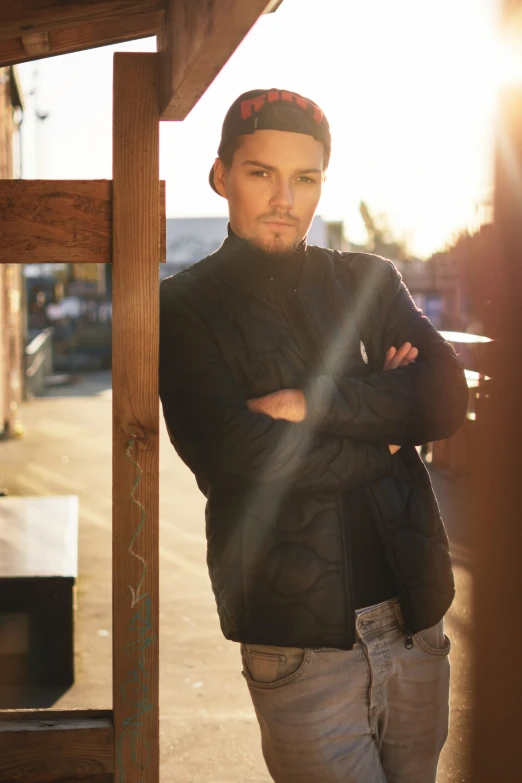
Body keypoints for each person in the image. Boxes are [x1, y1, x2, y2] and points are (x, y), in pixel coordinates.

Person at [159, 89, 468, 783]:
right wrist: (388, 429)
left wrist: (309, 403)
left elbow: (446, 398)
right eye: (261, 172)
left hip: (418, 621)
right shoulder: (184, 308)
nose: (284, 197)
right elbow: (236, 457)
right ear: (220, 176)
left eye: (305, 178)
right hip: (297, 641)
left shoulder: (369, 281)